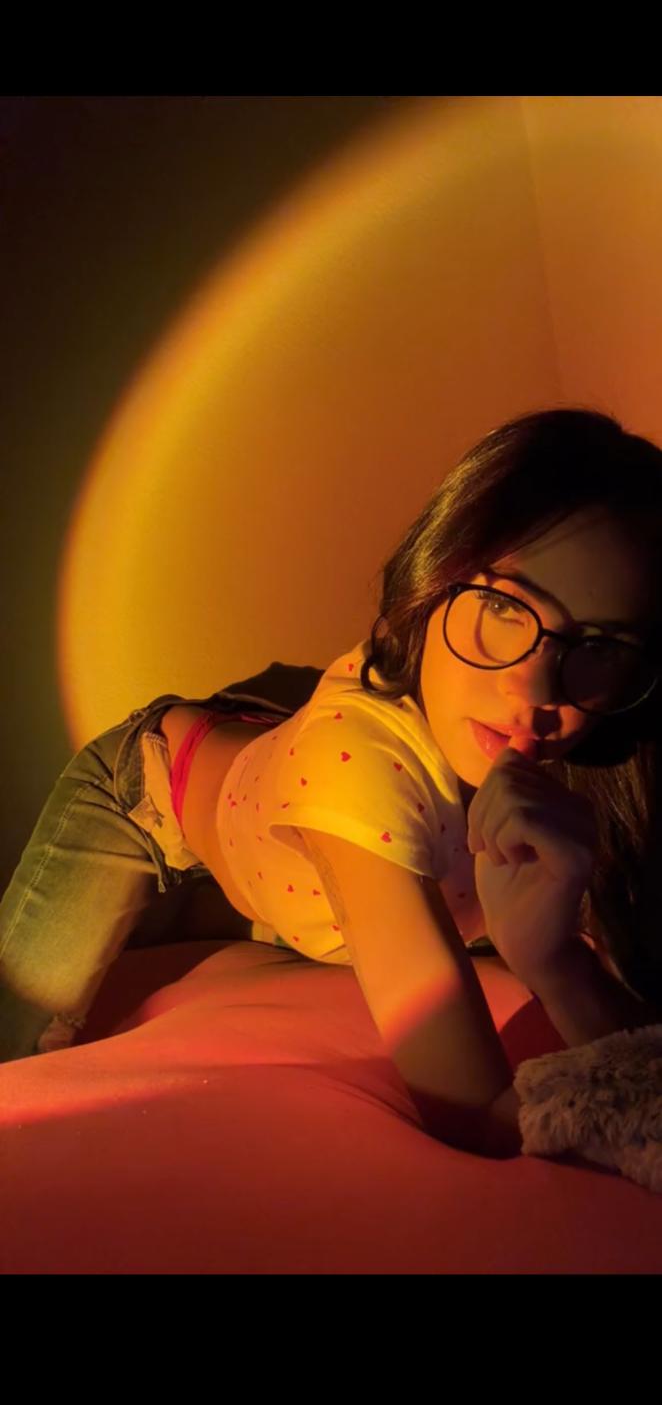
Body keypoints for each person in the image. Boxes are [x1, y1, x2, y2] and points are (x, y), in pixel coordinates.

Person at [2, 407, 662, 1160]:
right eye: (503, 607)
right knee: (19, 1029)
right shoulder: (358, 776)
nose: (535, 689)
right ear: (434, 578)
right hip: (154, 796)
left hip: (284, 787)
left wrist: (555, 960)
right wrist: (559, 967)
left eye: (600, 644)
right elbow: (473, 1110)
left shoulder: (597, 750)